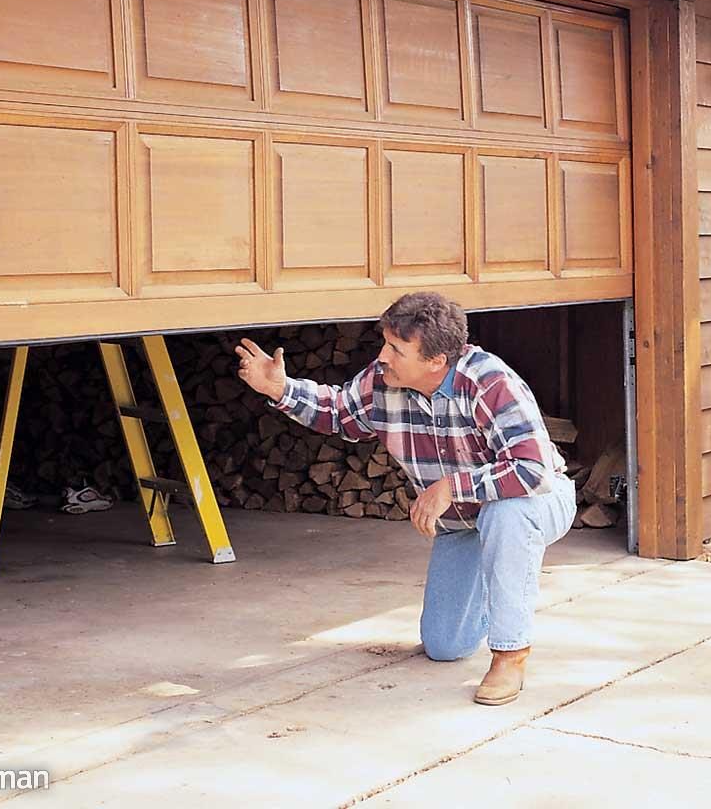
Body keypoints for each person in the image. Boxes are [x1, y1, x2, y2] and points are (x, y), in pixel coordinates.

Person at [235, 291, 576, 705]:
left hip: (536, 501)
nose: (382, 356)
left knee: (507, 515)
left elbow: (532, 470)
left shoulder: (490, 381)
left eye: (396, 349)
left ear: (436, 361)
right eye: (385, 343)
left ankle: (510, 653)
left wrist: (451, 487)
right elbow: (340, 412)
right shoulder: (383, 381)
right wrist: (280, 388)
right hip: (461, 526)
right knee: (444, 646)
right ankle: (502, 585)